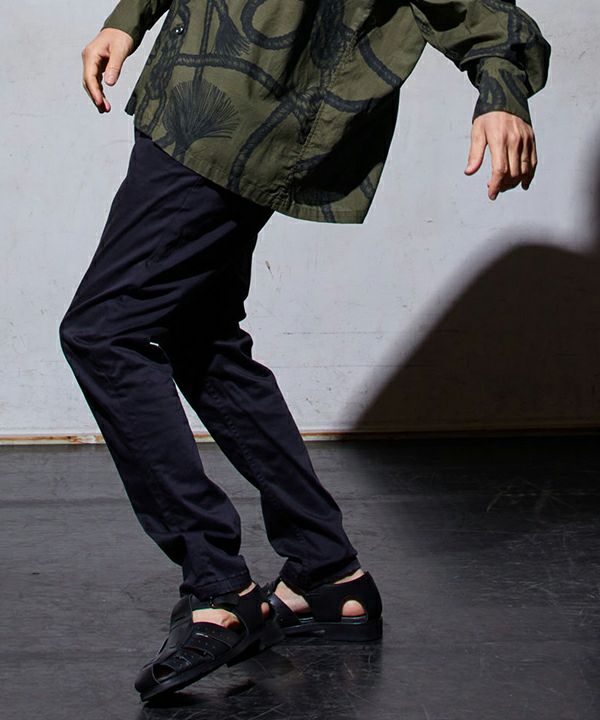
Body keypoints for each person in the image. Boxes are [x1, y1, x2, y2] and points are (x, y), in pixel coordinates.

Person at [60, 0, 551, 702]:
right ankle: (326, 570)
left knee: (103, 331)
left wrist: (501, 91)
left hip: (237, 112)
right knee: (201, 336)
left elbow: (485, 16)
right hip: (193, 92)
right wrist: (128, 19)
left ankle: (218, 587)